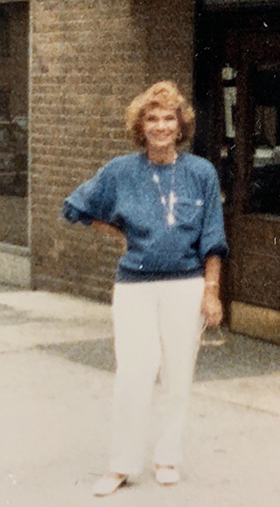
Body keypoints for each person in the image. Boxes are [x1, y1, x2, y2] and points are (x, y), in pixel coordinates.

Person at [62, 80, 228, 497]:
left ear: (180, 125)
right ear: (141, 127)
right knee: (133, 375)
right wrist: (118, 233)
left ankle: (167, 457)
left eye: (168, 118)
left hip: (186, 286)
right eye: (152, 119)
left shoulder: (201, 172)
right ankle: (121, 464)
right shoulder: (121, 171)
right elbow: (76, 206)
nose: (160, 126)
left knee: (178, 374)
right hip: (135, 286)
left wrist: (211, 291)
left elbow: (213, 237)